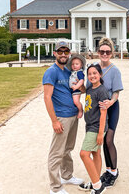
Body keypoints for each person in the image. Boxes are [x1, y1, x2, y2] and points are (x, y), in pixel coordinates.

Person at [43, 41, 84, 194]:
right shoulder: (51, 72)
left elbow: (78, 90)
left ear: (69, 54)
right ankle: (55, 187)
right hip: (61, 117)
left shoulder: (68, 72)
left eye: (66, 52)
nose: (63, 54)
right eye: (60, 52)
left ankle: (66, 176)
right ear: (55, 53)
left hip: (73, 115)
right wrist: (54, 121)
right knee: (56, 152)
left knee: (67, 148)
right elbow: (47, 97)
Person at [83, 37, 123, 188]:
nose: (104, 54)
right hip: (97, 110)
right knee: (101, 142)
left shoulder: (115, 71)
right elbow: (88, 87)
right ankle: (107, 170)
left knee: (108, 139)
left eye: (107, 51)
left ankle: (113, 171)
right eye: (102, 51)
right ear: (98, 52)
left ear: (111, 53)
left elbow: (117, 92)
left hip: (111, 108)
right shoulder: (95, 68)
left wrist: (110, 102)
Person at [78, 63, 109, 194]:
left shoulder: (102, 90)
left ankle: (98, 187)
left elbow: (103, 113)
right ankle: (96, 181)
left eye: (95, 73)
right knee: (96, 153)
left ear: (100, 74)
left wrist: (101, 133)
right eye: (89, 74)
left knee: (84, 154)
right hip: (90, 125)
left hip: (97, 127)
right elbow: (85, 91)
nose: (92, 76)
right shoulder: (90, 88)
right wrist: (79, 82)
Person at [66, 54, 86, 118]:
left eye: (77, 64)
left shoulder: (79, 72)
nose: (74, 65)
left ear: (81, 65)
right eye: (73, 64)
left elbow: (81, 81)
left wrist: (76, 87)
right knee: (73, 102)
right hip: (72, 90)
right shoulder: (73, 72)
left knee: (76, 101)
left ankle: (80, 110)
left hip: (76, 90)